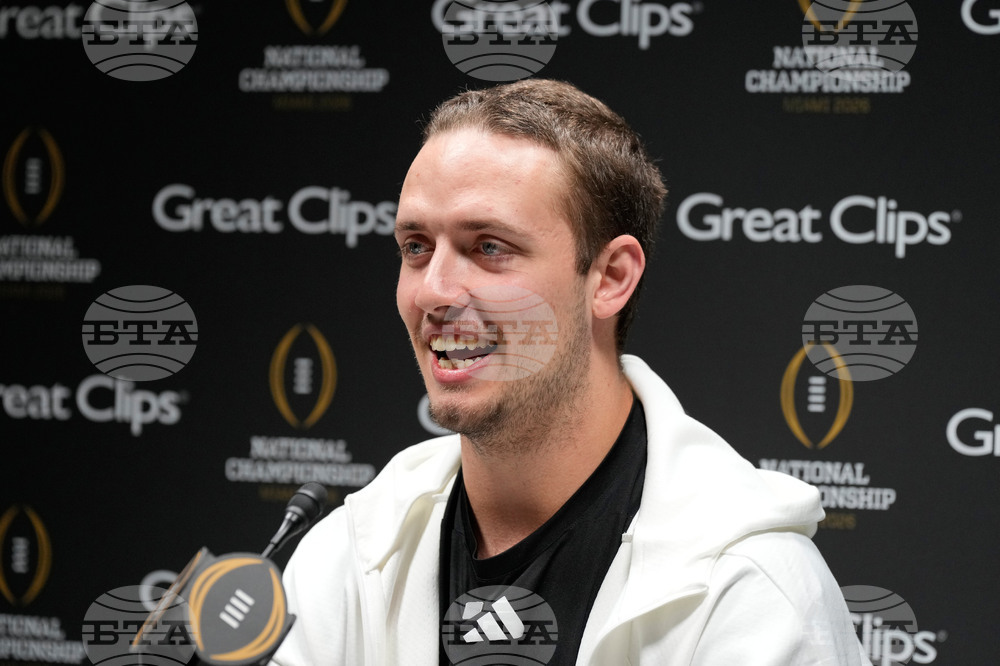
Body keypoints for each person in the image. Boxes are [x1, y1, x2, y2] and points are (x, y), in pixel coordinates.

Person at [271, 79, 870, 665]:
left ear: (610, 278)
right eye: (416, 246)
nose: (434, 291)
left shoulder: (750, 593)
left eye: (489, 247)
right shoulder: (347, 558)